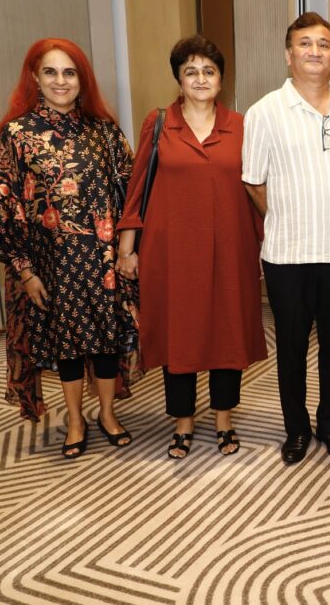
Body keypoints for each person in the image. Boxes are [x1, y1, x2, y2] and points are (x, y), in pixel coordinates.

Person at [0, 38, 140, 458]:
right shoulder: (17, 135)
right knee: (68, 346)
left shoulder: (104, 131)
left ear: (81, 80)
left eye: (69, 72)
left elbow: (133, 192)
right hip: (52, 264)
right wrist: (25, 270)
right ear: (35, 77)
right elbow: (4, 203)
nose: (60, 81)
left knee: (106, 342)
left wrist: (131, 250)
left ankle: (107, 413)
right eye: (51, 72)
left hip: (104, 260)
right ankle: (74, 419)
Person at [116, 35, 266, 459]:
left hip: (230, 248)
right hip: (171, 251)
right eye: (191, 71)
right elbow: (138, 186)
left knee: (227, 334)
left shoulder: (241, 125)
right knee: (178, 335)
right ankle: (183, 422)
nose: (201, 79)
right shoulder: (159, 122)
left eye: (209, 71)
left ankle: (223, 419)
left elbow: (256, 185)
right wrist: (128, 248)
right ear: (179, 79)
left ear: (221, 78)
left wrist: (265, 240)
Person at [242, 12, 330, 465]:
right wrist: (285, 216)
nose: (315, 51)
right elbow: (254, 182)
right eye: (304, 44)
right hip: (288, 254)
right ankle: (296, 429)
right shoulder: (263, 113)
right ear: (288, 53)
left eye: (324, 44)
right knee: (292, 349)